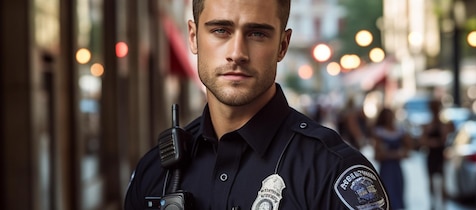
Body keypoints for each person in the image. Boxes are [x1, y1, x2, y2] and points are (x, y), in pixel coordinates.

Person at [124, 0, 389, 209]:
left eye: (257, 33)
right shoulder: (154, 171)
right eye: (220, 30)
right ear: (193, 37)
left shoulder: (332, 174)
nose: (237, 53)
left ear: (282, 45)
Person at [372, 108, 412, 210]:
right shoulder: (379, 132)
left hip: (396, 169)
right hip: (386, 169)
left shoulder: (399, 131)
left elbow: (408, 151)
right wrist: (395, 154)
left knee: (398, 194)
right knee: (388, 193)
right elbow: (377, 155)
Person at [419, 100, 454, 209]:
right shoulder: (428, 125)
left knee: (443, 182)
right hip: (432, 155)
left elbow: (444, 138)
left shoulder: (442, 124)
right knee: (431, 181)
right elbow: (423, 141)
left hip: (439, 154)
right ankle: (433, 202)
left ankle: (442, 205)